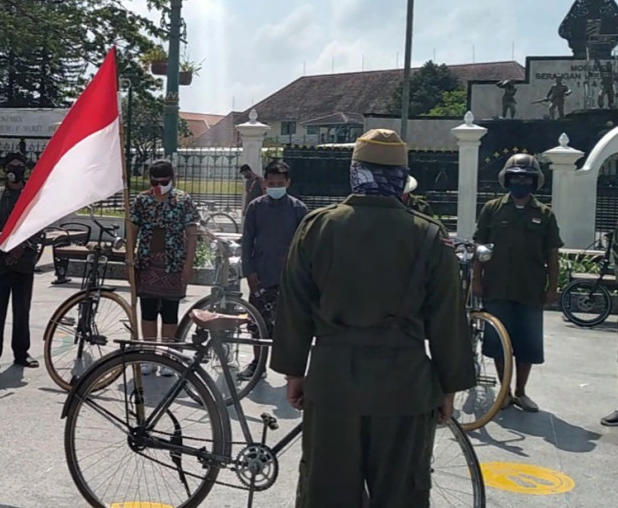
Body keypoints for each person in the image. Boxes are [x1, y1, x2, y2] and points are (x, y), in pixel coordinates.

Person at [271, 128, 475, 507]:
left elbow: (294, 306)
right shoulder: (428, 235)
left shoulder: (318, 227)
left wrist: (295, 372)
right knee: (401, 494)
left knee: (326, 492)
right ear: (402, 179)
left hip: (333, 384)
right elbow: (448, 318)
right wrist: (448, 387)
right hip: (404, 388)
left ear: (355, 173)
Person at [472, 153, 562, 413]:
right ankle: (504, 392)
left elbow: (552, 254)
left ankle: (521, 392)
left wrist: (553, 287)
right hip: (496, 288)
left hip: (530, 289)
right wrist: (477, 280)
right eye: (516, 177)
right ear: (507, 180)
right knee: (499, 343)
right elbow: (480, 246)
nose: (520, 182)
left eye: (526, 178)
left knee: (527, 344)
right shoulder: (492, 209)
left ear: (534, 182)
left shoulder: (544, 214)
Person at [239, 160, 307, 380]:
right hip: (260, 275)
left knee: (287, 327)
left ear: (288, 182)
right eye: (271, 183)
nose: (275, 186)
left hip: (288, 277)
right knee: (257, 324)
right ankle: (258, 365)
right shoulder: (256, 207)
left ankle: (290, 370)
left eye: (280, 182)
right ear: (265, 183)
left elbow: (305, 245)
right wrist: (248, 271)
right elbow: (247, 240)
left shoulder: (298, 209)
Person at [129, 159, 199, 375]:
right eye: (155, 181)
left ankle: (168, 354)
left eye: (164, 180)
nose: (160, 184)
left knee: (170, 312)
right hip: (148, 262)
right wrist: (128, 260)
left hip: (174, 263)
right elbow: (132, 229)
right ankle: (149, 355)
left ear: (173, 178)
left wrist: (188, 264)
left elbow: (192, 234)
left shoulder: (183, 200)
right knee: (148, 310)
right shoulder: (142, 200)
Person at [0, 153, 41, 369]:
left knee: (21, 309)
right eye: (10, 166)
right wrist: (6, 248)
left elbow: (37, 225)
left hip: (24, 260)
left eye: (19, 166)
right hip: (0, 260)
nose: (14, 170)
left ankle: (21, 353)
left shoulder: (33, 196)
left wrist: (21, 248)